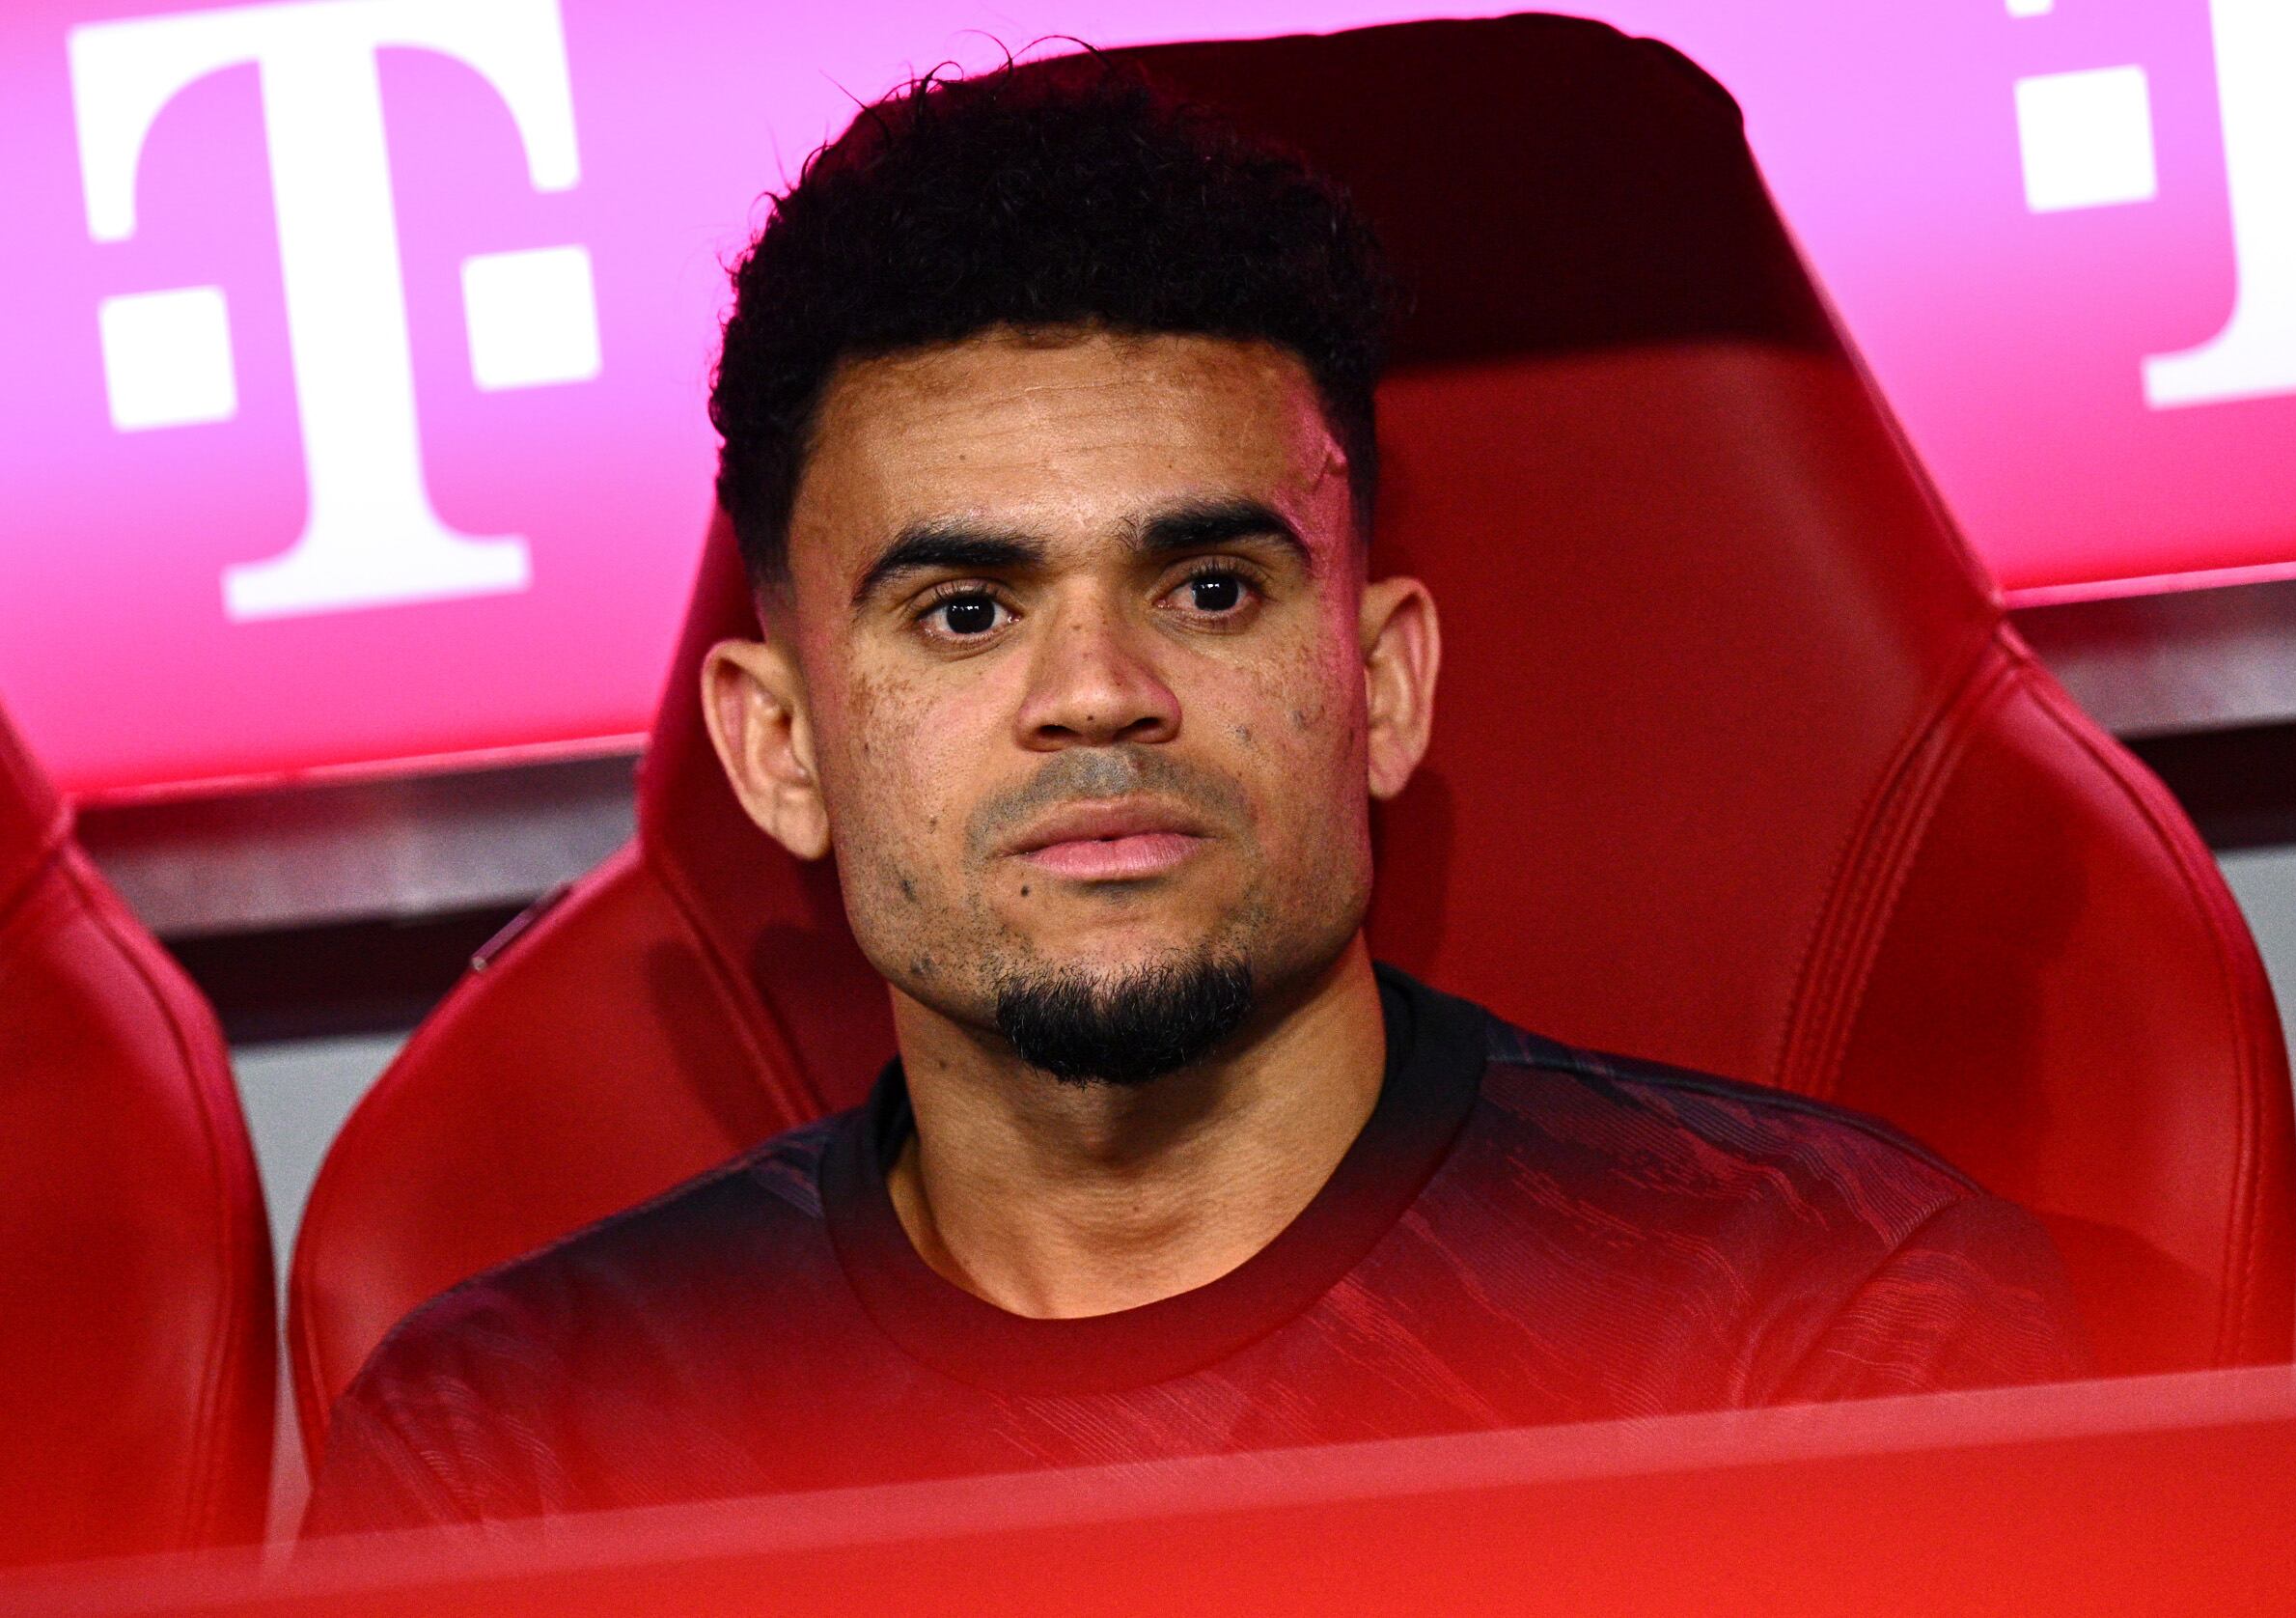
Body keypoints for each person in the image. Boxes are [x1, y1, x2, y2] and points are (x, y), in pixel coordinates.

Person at [304, 59, 2086, 1536]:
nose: (1097, 691)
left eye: (1212, 589)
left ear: (1383, 686)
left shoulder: (1836, 1338)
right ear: (779, 749)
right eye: (967, 611)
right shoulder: (518, 1463)